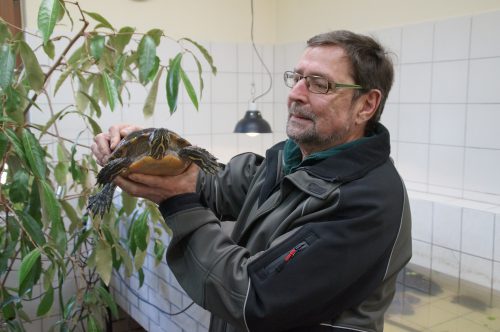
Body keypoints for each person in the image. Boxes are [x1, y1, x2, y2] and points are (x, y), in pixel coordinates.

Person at [91, 30, 412, 332]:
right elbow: (213, 186)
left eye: (320, 84)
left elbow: (255, 298)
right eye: (297, 78)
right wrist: (145, 150)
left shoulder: (368, 200)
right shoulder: (287, 159)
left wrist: (177, 202)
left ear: (366, 105)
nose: (295, 95)